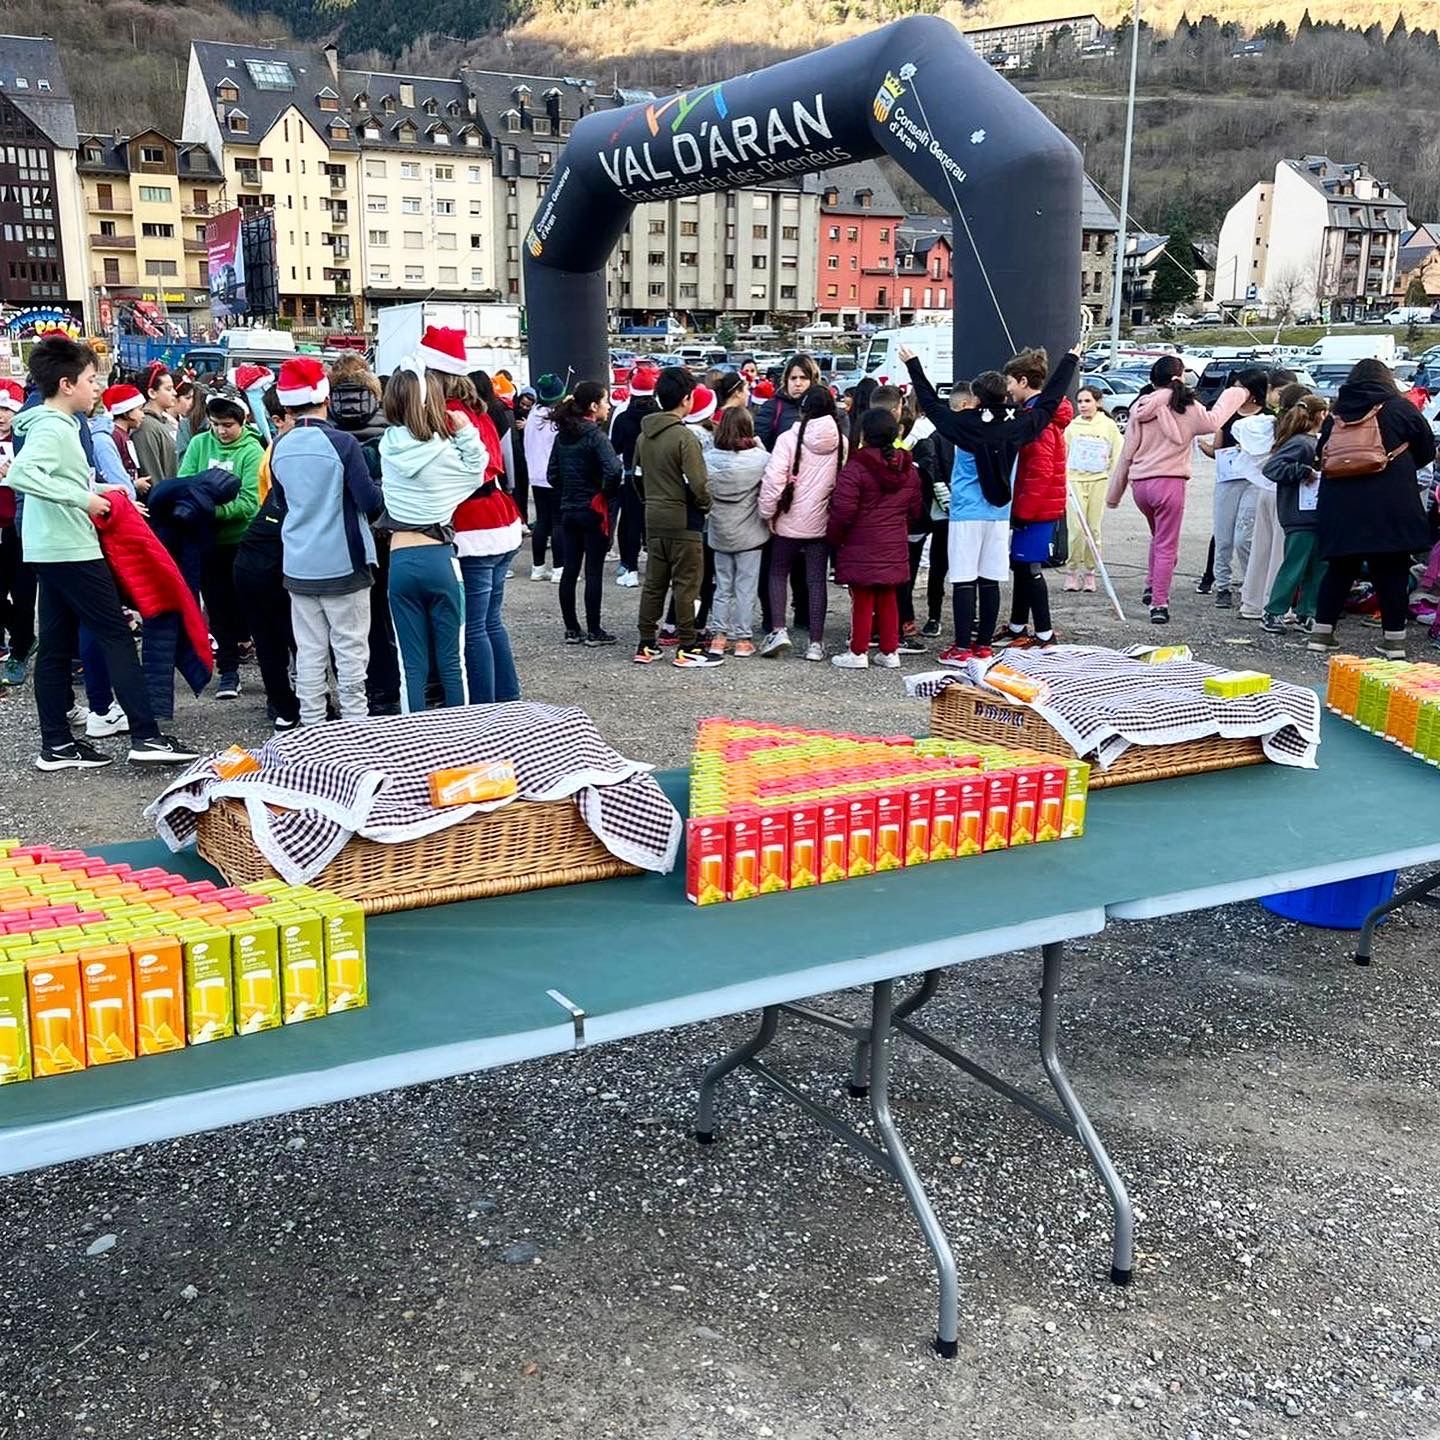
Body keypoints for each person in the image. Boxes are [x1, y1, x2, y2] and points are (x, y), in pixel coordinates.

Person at [6, 335, 196, 769]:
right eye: (92, 379)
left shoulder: (50, 423)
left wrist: (103, 490)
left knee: (55, 645)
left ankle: (57, 744)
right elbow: (23, 475)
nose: (97, 388)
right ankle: (146, 736)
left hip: (49, 547)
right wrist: (85, 500)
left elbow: (58, 478)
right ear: (67, 384)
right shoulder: (55, 426)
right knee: (116, 635)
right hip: (71, 547)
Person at [902, 343, 1082, 663]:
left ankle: (961, 648)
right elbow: (1049, 401)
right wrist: (1069, 361)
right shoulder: (1019, 423)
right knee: (989, 580)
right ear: (1004, 395)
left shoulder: (964, 423)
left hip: (966, 513)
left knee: (964, 579)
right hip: (999, 514)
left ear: (977, 398)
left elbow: (930, 403)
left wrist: (913, 364)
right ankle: (983, 646)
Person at [269, 355, 382, 726]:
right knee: (351, 652)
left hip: (298, 564)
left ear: (287, 405)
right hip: (344, 562)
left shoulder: (279, 446)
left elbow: (281, 503)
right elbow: (368, 501)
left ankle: (312, 727)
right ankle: (355, 728)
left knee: (309, 652)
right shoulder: (343, 444)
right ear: (326, 398)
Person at [1308, 358, 1436, 659]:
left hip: (1341, 502)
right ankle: (1393, 642)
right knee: (1392, 571)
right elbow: (1427, 449)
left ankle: (1321, 635)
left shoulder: (1337, 413)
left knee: (1340, 569)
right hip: (1390, 501)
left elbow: (1322, 453)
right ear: (1386, 379)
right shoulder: (1400, 408)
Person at [378, 364, 489, 710]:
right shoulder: (445, 451)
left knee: (410, 667)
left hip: (399, 560)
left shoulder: (387, 446)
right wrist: (466, 431)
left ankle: (413, 735)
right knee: (452, 663)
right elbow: (478, 472)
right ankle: (460, 734)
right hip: (439, 559)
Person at [1107, 356, 1249, 624]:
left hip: (1141, 485)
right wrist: (1236, 393)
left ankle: (1152, 584)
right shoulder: (1186, 405)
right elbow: (1213, 421)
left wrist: (1114, 494)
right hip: (1169, 482)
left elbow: (1127, 453)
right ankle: (1159, 603)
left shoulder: (1140, 406)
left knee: (1158, 538)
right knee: (1166, 545)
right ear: (1179, 376)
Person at [176, 386, 264, 699]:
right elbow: (184, 482)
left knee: (250, 606)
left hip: (242, 541)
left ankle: (268, 666)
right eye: (215, 424)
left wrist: (211, 509)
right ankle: (228, 671)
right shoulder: (199, 444)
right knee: (217, 606)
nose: (221, 431)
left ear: (242, 422)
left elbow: (250, 502)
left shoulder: (252, 451)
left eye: (228, 425)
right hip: (207, 541)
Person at [633, 366, 720, 668]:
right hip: (684, 519)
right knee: (687, 585)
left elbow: (636, 476)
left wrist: (650, 501)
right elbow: (699, 483)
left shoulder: (644, 436)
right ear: (686, 399)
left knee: (654, 584)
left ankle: (646, 643)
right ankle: (688, 646)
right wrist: (704, 505)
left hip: (653, 516)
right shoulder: (684, 437)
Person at [328, 354, 400, 717]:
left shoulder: (326, 421)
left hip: (340, 531)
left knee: (344, 620)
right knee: (384, 613)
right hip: (383, 528)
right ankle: (388, 692)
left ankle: (356, 692)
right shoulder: (387, 420)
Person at [828, 407, 924, 670]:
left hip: (860, 542)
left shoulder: (856, 467)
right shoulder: (909, 469)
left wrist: (835, 538)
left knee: (862, 598)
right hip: (894, 541)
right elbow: (915, 510)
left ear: (864, 434)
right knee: (888, 596)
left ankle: (858, 651)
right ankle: (890, 651)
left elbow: (843, 511)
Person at [758, 385, 845, 661]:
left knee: (777, 572)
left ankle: (778, 630)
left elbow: (773, 480)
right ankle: (815, 643)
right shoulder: (841, 442)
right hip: (822, 521)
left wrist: (767, 513)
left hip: (788, 519)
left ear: (803, 409)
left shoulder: (788, 438)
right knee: (816, 580)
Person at [233, 389, 299, 729]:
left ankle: (282, 706)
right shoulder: (285, 452)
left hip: (257, 547)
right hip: (276, 549)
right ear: (279, 419)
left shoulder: (276, 449)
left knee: (270, 639)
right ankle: (299, 704)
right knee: (292, 635)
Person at [999, 348, 1072, 647]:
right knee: (1022, 565)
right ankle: (1018, 626)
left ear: (1023, 381)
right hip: (1038, 505)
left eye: (1010, 382)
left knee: (1029, 569)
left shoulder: (1038, 421)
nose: (1007, 389)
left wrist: (1023, 512)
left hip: (1037, 509)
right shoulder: (1040, 414)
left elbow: (1040, 472)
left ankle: (1044, 634)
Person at [550, 380, 622, 646]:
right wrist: (604, 492)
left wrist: (569, 490)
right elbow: (614, 470)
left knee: (570, 569)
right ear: (593, 406)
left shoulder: (562, 436)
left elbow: (552, 474)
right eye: (605, 401)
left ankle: (571, 628)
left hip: (569, 507)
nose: (608, 406)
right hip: (593, 508)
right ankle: (594, 630)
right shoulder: (596, 436)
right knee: (593, 571)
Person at [1199, 368, 1270, 612]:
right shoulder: (1227, 415)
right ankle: (1223, 585)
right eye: (1234, 387)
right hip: (1228, 479)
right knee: (1223, 535)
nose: (1235, 392)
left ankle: (1252, 585)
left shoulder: (1268, 417)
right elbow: (1217, 450)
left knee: (1244, 536)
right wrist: (1202, 445)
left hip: (1254, 481)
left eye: (1241, 388)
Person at [704, 406, 769, 659]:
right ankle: (742, 639)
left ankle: (718, 637)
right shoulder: (761, 459)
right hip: (750, 532)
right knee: (746, 587)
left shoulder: (708, 459)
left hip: (720, 530)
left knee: (722, 587)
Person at [1260, 391, 1328, 634]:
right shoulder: (1300, 443)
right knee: (1295, 565)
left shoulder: (1311, 441)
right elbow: (1272, 468)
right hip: (1300, 516)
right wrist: (1302, 470)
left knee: (1317, 567)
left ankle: (1306, 612)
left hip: (1315, 515)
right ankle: (1273, 611)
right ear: (1321, 414)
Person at [1063, 386, 1122, 594]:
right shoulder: (1072, 427)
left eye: (1087, 401)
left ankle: (1090, 571)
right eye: (1080, 401)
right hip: (1074, 481)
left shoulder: (1109, 426)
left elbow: (1118, 454)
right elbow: (1063, 454)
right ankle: (1072, 570)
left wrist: (1116, 481)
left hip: (1099, 480)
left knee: (1093, 529)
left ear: (1098, 402)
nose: (1083, 405)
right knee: (1076, 529)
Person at [0, 376, 36, 687]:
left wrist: (15, 475)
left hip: (21, 527)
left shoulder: (27, 439)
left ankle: (19, 651)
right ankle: (21, 634)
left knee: (24, 593)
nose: (1, 416)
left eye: (6, 409)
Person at [609, 363, 659, 588]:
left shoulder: (622, 417)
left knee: (631, 521)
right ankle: (658, 567)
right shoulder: (661, 416)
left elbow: (615, 448)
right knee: (655, 522)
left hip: (631, 476)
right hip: (658, 477)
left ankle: (629, 568)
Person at [523, 372, 566, 582]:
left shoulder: (533, 415)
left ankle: (538, 567)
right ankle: (559, 568)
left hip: (535, 475)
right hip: (554, 476)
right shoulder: (557, 420)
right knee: (558, 522)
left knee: (542, 521)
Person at [90, 383, 146, 498]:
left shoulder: (124, 434)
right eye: (140, 410)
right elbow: (114, 471)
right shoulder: (115, 435)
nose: (143, 415)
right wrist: (132, 485)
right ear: (127, 411)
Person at [755, 354, 819, 452]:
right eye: (793, 378)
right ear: (786, 380)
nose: (798, 383)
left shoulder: (823, 408)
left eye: (803, 378)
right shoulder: (772, 407)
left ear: (813, 381)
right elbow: (759, 447)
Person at [130, 361, 177, 491]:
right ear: (152, 393)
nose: (174, 393)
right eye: (168, 389)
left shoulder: (167, 422)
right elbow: (151, 473)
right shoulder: (146, 427)